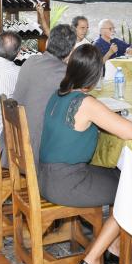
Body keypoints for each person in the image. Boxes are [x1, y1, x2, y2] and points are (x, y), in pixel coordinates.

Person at [38, 44, 132, 264]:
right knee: (130, 189)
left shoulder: (58, 94)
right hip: (67, 182)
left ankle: (113, 247)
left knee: (118, 176)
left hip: (44, 176)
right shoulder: (86, 103)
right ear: (96, 76)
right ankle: (92, 260)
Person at [11, 24, 76, 167]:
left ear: (48, 42)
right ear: (71, 50)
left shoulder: (30, 61)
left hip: (12, 140)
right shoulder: (65, 74)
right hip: (33, 151)